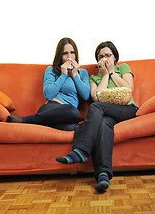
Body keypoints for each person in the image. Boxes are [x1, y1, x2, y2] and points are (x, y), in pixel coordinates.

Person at [56, 41, 138, 192]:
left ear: (115, 57)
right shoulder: (94, 78)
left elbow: (129, 88)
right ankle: (103, 174)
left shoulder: (123, 68)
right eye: (101, 57)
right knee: (103, 124)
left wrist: (113, 72)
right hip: (107, 113)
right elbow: (96, 97)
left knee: (96, 108)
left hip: (127, 109)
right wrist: (105, 75)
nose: (104, 59)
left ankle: (81, 150)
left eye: (108, 55)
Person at [6, 37, 91, 131]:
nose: (69, 57)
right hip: (51, 109)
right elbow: (48, 95)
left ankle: (29, 121)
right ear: (60, 56)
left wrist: (75, 74)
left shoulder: (82, 73)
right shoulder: (51, 70)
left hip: (68, 114)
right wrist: (63, 74)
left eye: (72, 52)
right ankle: (27, 120)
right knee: (73, 113)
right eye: (65, 53)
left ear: (76, 54)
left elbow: (86, 95)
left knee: (72, 124)